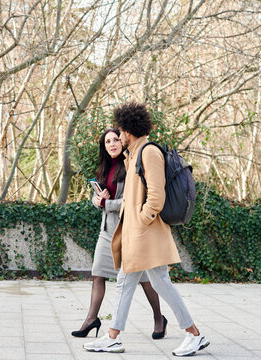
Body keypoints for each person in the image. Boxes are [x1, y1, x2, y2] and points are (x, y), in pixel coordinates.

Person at [83, 102, 210, 356]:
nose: (118, 136)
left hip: (145, 233)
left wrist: (141, 220)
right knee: (126, 282)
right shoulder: (134, 153)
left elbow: (156, 196)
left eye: (120, 131)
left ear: (129, 129)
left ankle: (193, 333)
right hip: (135, 233)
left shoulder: (149, 152)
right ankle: (113, 336)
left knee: (160, 282)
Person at [72, 129, 167, 340]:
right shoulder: (104, 168)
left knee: (144, 279)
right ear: (103, 146)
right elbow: (99, 198)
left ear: (122, 142)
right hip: (106, 231)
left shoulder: (129, 164)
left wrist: (106, 203)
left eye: (115, 139)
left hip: (128, 230)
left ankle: (159, 318)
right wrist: (97, 201)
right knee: (97, 274)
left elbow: (131, 201)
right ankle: (91, 319)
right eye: (107, 141)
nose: (112, 144)